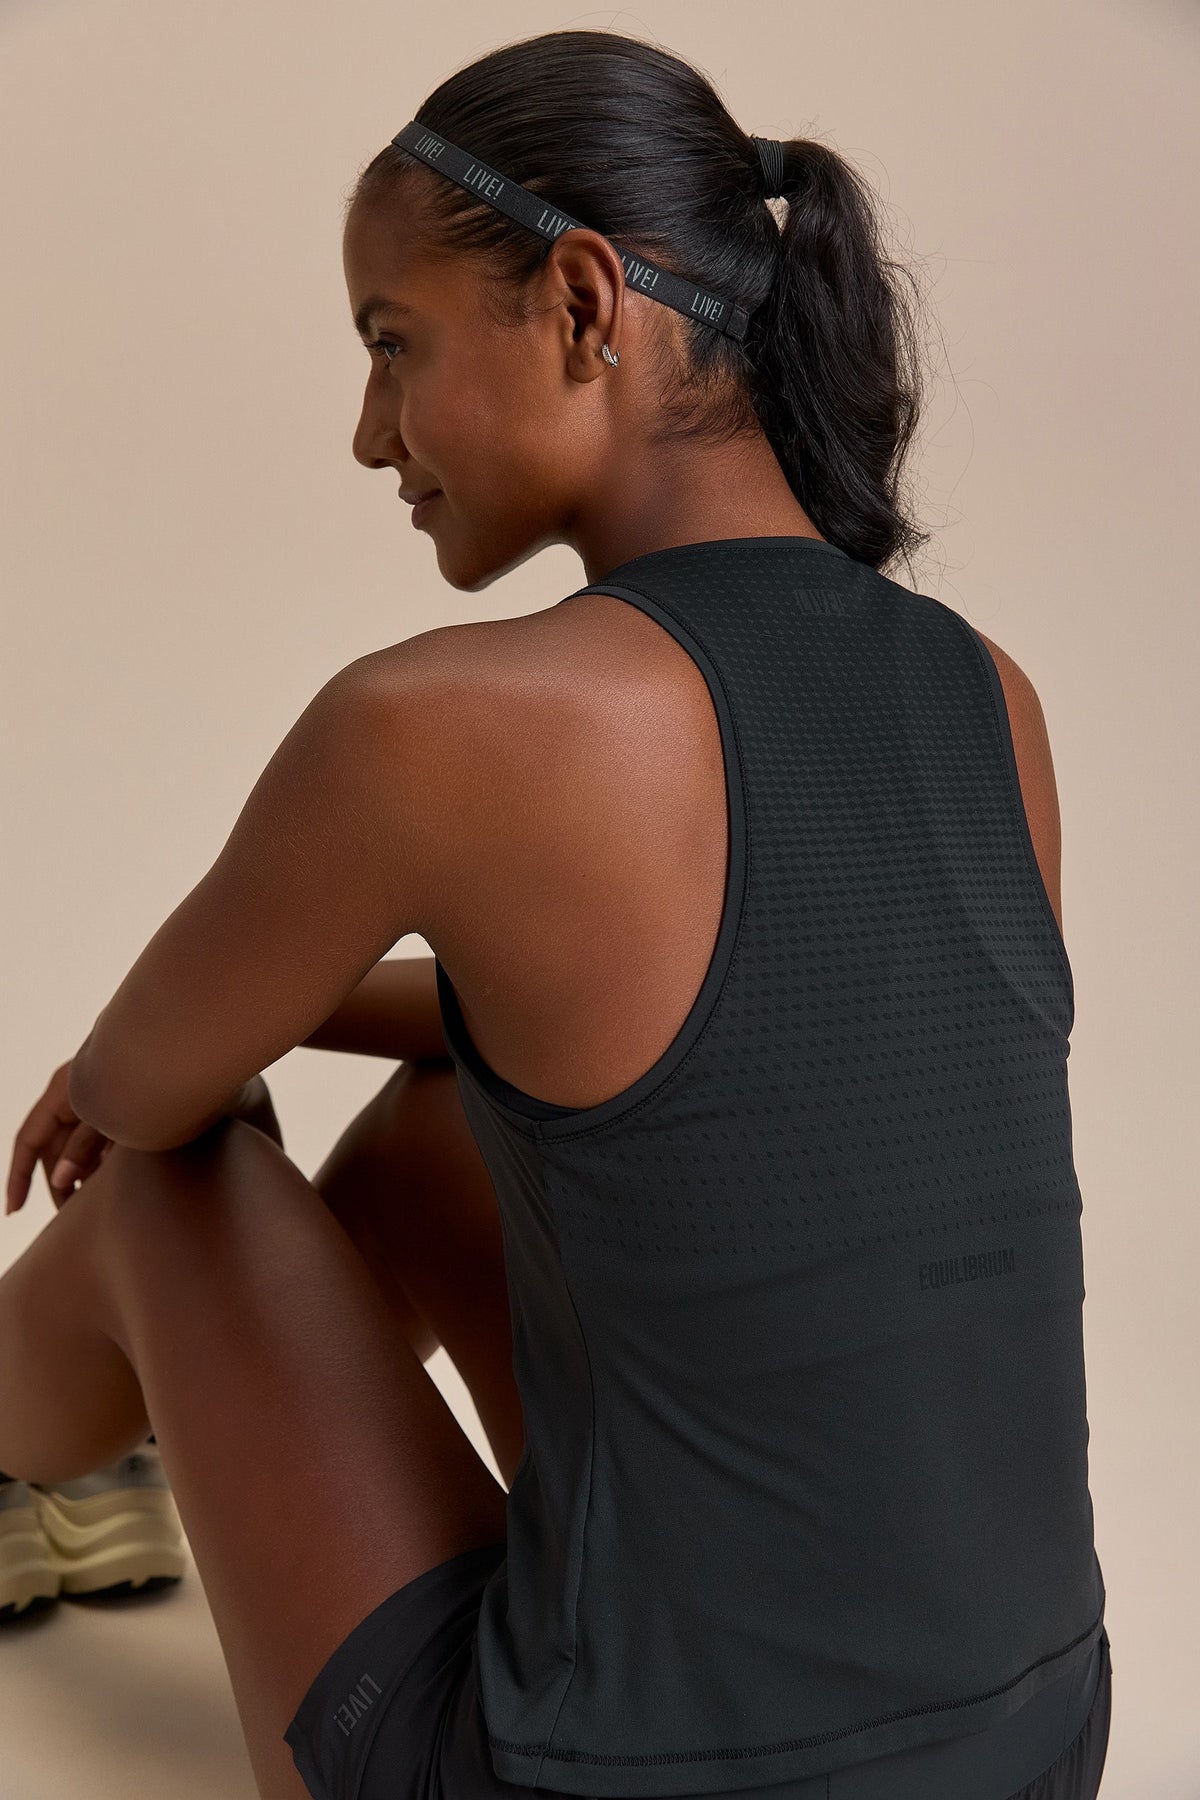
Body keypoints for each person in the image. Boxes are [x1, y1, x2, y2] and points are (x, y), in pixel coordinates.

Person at [0, 27, 1110, 1800]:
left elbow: (134, 1090)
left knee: (166, 1174)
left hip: (605, 1784)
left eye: (392, 343)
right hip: (1034, 1748)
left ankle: (24, 1466)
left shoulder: (447, 726)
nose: (369, 432)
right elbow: (713, 1029)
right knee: (464, 1119)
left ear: (584, 304)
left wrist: (164, 1057)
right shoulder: (991, 693)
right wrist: (320, 999)